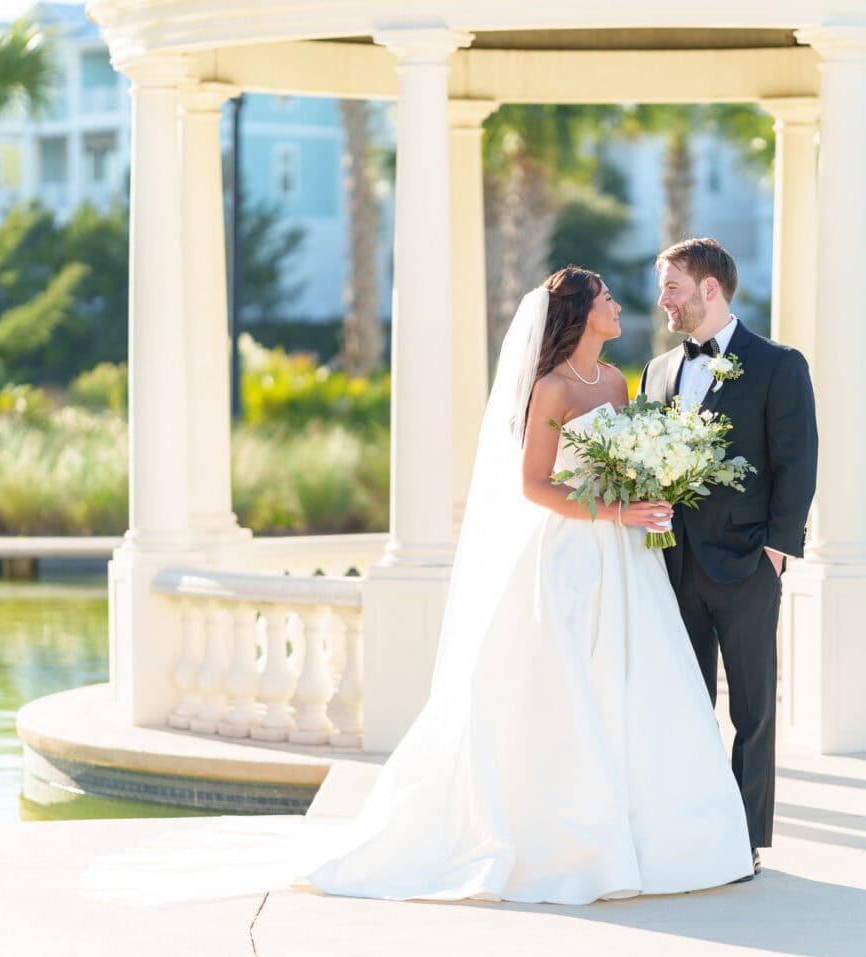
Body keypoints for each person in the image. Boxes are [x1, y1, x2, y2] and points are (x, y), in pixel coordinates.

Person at [304, 266, 754, 903]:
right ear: (578, 313)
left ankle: (662, 841)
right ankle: (571, 842)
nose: (620, 305)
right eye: (607, 299)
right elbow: (535, 486)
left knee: (639, 683)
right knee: (571, 684)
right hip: (572, 553)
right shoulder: (551, 388)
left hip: (627, 558)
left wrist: (654, 487)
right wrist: (618, 511)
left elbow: (625, 462)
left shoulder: (617, 381)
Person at [639, 239, 819, 874]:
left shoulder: (777, 364)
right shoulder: (658, 372)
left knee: (752, 710)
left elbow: (796, 464)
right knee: (685, 705)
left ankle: (742, 844)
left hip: (748, 564)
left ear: (709, 289)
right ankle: (687, 828)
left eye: (672, 288)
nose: (663, 300)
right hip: (675, 566)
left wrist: (775, 551)